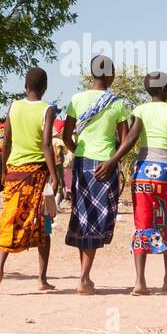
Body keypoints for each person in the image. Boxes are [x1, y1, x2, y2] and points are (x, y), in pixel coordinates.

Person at [0, 67, 61, 294]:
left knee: (10, 219)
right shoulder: (47, 109)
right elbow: (46, 145)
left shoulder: (14, 106)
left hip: (14, 172)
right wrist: (55, 175)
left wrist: (2, 172)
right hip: (37, 173)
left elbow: (6, 140)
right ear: (45, 87)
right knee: (43, 225)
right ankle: (41, 279)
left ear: (25, 86)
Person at [61, 56, 130, 295]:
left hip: (82, 164)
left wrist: (79, 151)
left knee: (83, 217)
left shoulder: (77, 99)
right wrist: (112, 161)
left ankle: (85, 276)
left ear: (92, 75)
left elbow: (65, 136)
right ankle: (84, 277)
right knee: (96, 219)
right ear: (110, 75)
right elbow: (126, 139)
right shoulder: (117, 103)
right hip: (106, 166)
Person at [110, 71, 167, 295]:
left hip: (142, 172)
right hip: (165, 173)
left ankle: (140, 282)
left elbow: (131, 139)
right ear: (163, 89)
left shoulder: (140, 110)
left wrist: (113, 160)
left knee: (142, 223)